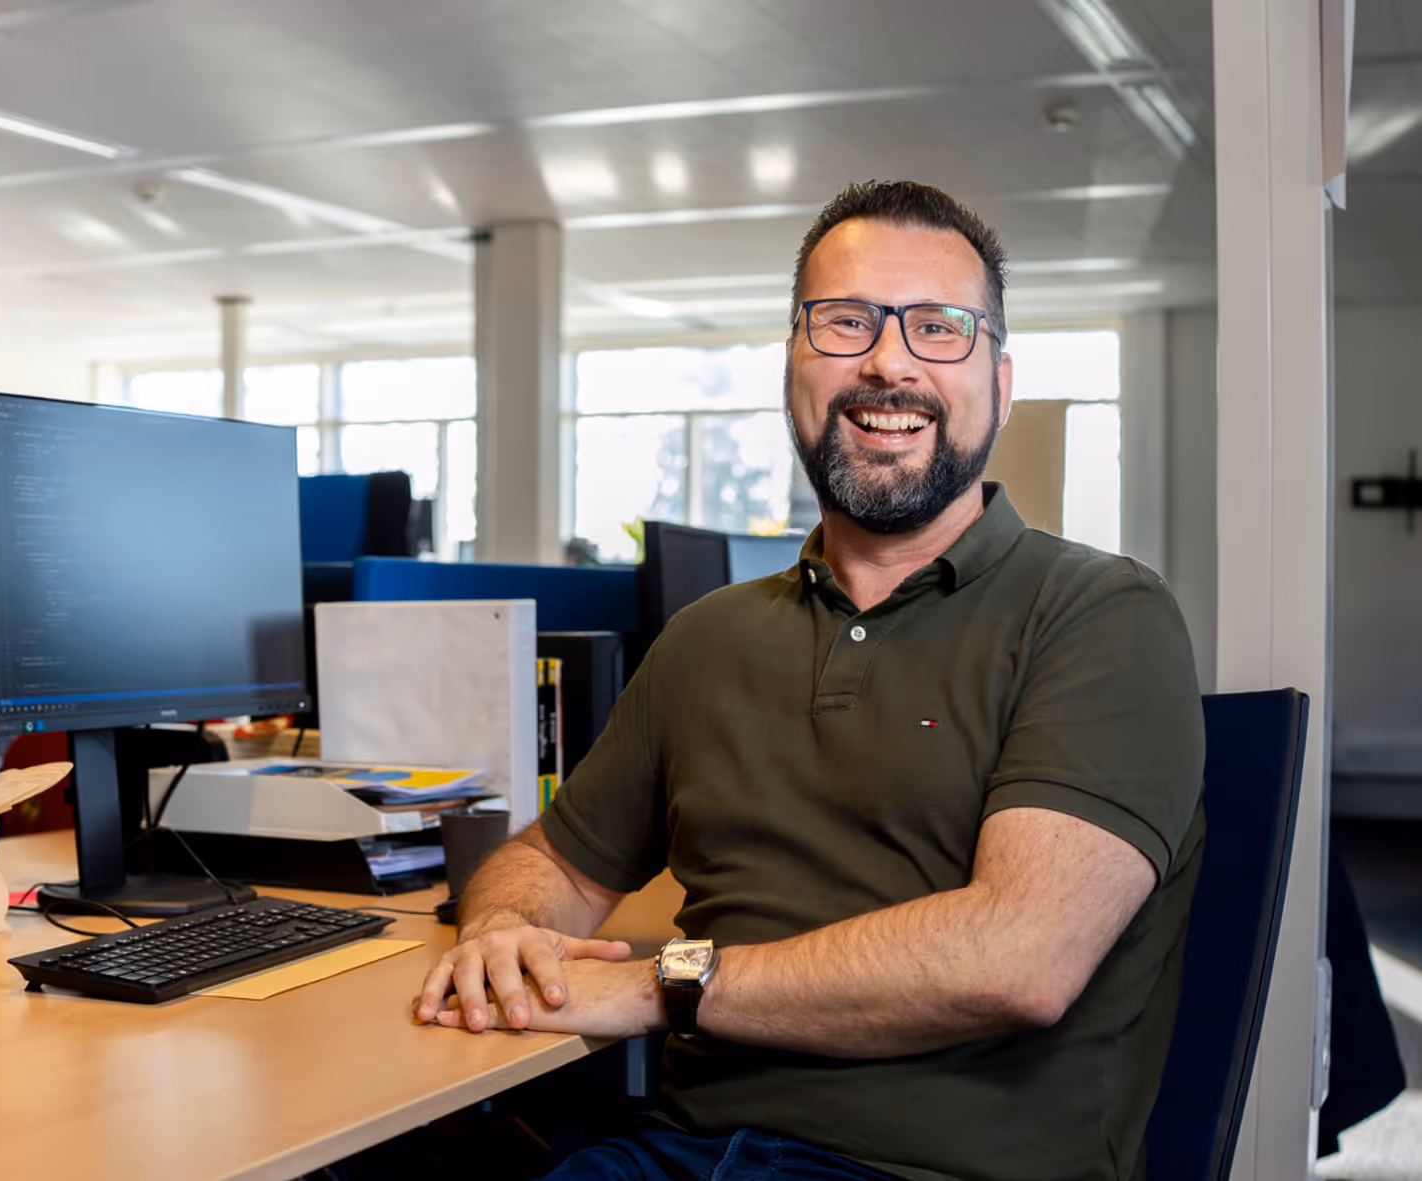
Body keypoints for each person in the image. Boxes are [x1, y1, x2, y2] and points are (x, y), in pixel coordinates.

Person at [412, 180, 1205, 1181]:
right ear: (794, 364)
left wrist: (669, 979)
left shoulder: (1101, 613)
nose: (888, 361)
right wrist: (503, 929)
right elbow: (560, 864)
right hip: (676, 1154)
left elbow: (1018, 958)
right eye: (845, 323)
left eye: (938, 328)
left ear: (1000, 384)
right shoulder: (708, 639)